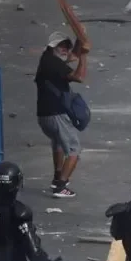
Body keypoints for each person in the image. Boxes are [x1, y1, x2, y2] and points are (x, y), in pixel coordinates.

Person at [35, 32, 89, 198]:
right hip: (57, 114)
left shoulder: (47, 60)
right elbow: (79, 77)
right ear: (52, 47)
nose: (65, 49)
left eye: (67, 46)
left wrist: (81, 41)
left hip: (44, 116)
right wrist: (85, 57)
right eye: (62, 46)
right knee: (73, 150)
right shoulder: (53, 63)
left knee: (58, 143)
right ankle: (61, 185)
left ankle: (57, 176)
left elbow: (71, 57)